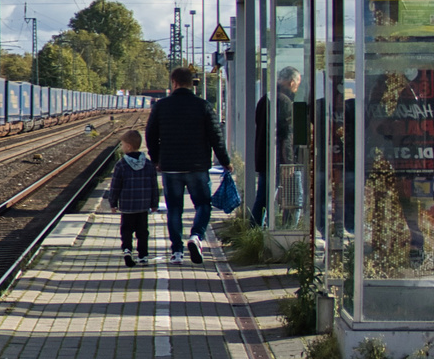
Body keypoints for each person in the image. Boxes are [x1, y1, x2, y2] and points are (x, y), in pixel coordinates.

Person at [146, 66, 232, 263]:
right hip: (197, 166)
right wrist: (225, 161)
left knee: (174, 208)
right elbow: (216, 137)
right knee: (203, 204)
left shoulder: (161, 106)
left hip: (170, 167)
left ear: (174, 82)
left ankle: (177, 251)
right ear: (191, 84)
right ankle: (196, 236)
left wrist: (156, 159)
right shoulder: (202, 106)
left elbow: (150, 135)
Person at [104, 128, 159, 266]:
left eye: (122, 145)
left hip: (127, 205)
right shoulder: (148, 164)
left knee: (126, 230)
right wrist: (154, 203)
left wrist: (113, 203)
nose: (121, 147)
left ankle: (128, 250)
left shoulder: (121, 165)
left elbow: (115, 186)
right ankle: (143, 255)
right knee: (142, 231)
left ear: (128, 146)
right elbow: (154, 186)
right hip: (143, 205)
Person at [251, 67, 297, 226]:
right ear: (291, 83)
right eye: (297, 85)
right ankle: (271, 230)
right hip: (277, 159)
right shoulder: (284, 101)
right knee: (290, 198)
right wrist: (288, 162)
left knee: (263, 197)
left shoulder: (265, 99)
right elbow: (286, 135)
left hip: (264, 155)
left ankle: (256, 229)